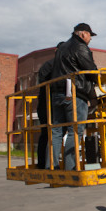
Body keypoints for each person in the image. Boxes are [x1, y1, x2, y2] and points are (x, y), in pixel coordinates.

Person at [46, 23, 98, 170]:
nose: (90, 39)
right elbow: (91, 70)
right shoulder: (80, 47)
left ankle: (51, 166)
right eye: (89, 36)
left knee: (56, 131)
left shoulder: (61, 48)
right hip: (75, 93)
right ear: (83, 34)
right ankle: (71, 168)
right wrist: (96, 85)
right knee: (75, 131)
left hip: (57, 93)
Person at [36, 42, 64, 169]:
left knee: (49, 133)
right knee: (50, 133)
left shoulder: (49, 65)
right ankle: (47, 163)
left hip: (48, 103)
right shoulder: (53, 66)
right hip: (48, 104)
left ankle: (46, 163)